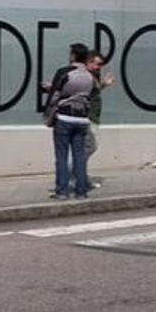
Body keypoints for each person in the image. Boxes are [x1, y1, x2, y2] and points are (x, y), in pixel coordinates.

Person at [42, 46, 95, 200]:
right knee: (79, 156)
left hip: (65, 117)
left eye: (70, 53)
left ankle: (62, 191)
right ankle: (81, 191)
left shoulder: (65, 72)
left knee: (62, 156)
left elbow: (55, 95)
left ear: (73, 55)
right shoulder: (90, 77)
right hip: (82, 119)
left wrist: (48, 111)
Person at [84, 51, 116, 188]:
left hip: (93, 117)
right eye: (98, 64)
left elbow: (93, 93)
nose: (99, 67)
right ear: (89, 62)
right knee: (90, 147)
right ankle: (77, 176)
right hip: (88, 118)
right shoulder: (86, 77)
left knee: (88, 147)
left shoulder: (91, 77)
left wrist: (104, 85)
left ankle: (79, 176)